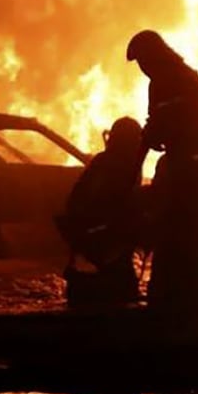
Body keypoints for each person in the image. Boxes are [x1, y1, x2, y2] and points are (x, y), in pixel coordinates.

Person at [125, 30, 198, 312]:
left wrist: (136, 165)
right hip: (184, 164)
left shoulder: (177, 79)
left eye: (143, 60)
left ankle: (181, 302)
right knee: (176, 233)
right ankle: (178, 298)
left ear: (154, 55)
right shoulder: (164, 82)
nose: (143, 68)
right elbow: (154, 125)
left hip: (196, 167)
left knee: (185, 234)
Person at [57, 117, 145, 307]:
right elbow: (118, 204)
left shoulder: (103, 161)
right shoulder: (122, 166)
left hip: (93, 242)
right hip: (103, 242)